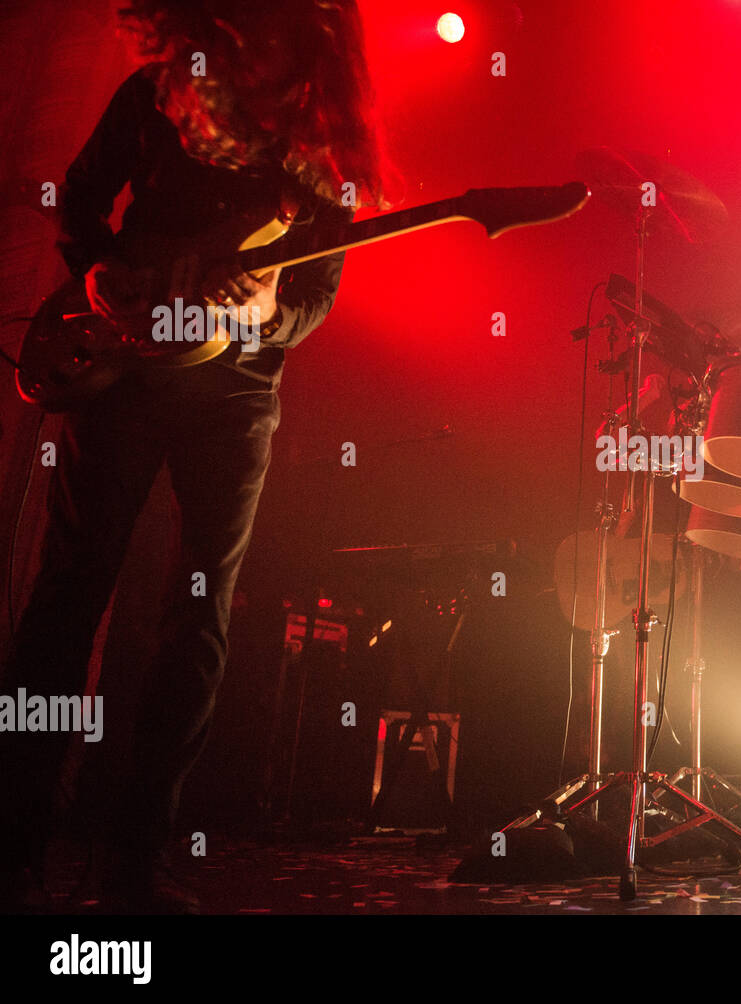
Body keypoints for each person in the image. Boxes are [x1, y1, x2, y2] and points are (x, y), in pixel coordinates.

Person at [0, 0, 386, 913]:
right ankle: (14, 840)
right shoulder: (160, 91)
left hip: (237, 385)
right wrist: (95, 269)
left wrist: (262, 312)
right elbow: (80, 194)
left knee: (198, 614)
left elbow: (316, 294)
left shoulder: (324, 141)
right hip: (123, 362)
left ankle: (138, 856)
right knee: (69, 590)